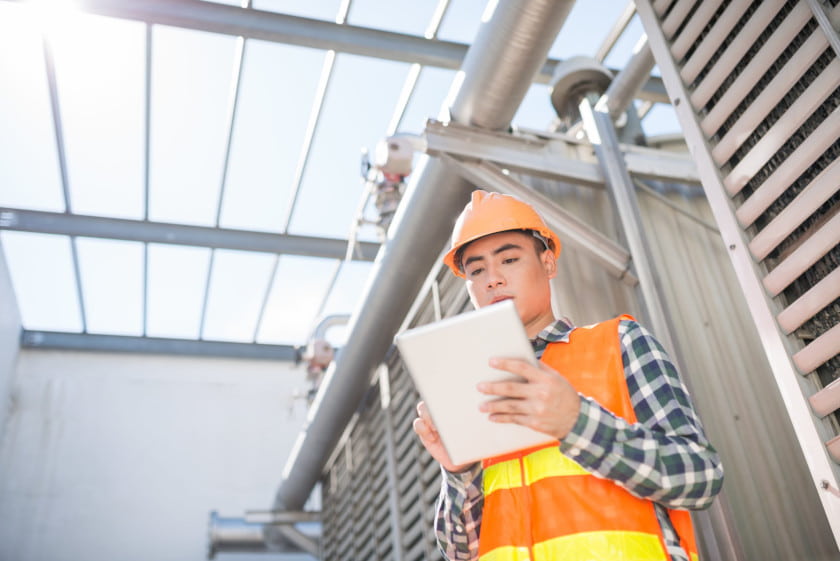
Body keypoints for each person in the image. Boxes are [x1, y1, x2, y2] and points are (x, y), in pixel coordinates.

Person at [412, 189, 723, 561]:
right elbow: (461, 554)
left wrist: (577, 423)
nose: (492, 279)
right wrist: (458, 471)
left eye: (509, 259)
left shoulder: (618, 343)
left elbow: (700, 476)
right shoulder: (473, 389)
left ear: (548, 263)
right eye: (477, 269)